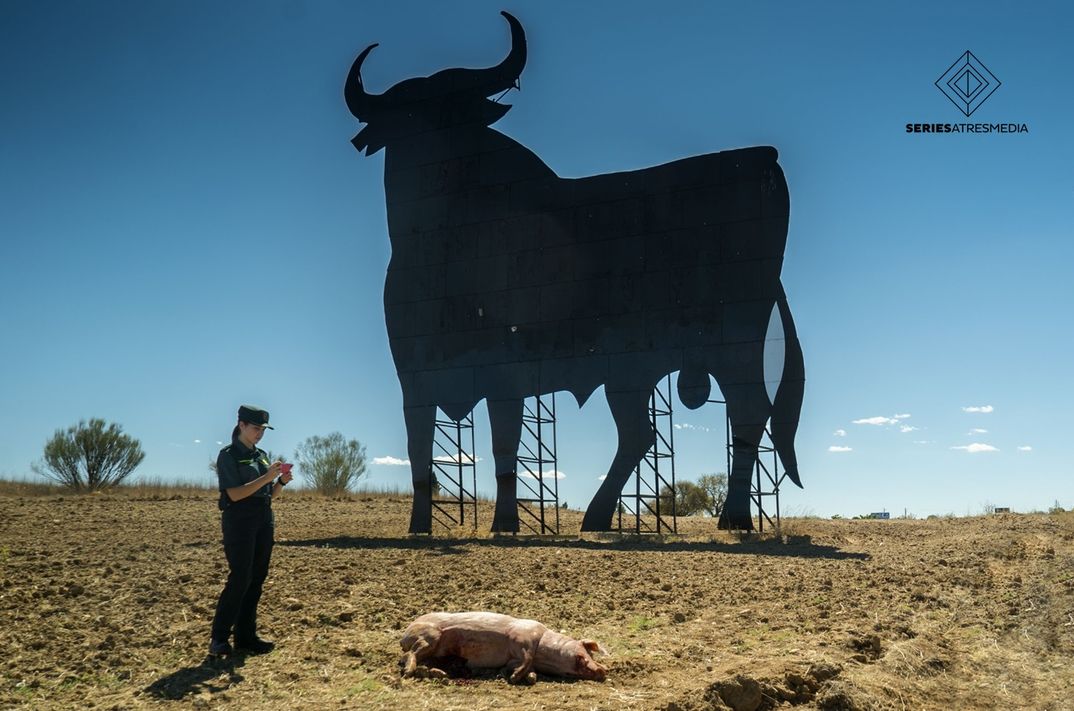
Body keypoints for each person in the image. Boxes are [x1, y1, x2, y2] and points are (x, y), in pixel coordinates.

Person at [209, 404, 293, 657]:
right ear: (241, 425)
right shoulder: (228, 455)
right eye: (256, 428)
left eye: (263, 429)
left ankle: (246, 637)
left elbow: (270, 494)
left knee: (257, 578)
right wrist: (267, 478)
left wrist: (279, 482)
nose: (260, 433)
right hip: (240, 521)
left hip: (263, 518)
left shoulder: (262, 455)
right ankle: (219, 638)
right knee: (240, 577)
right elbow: (234, 494)